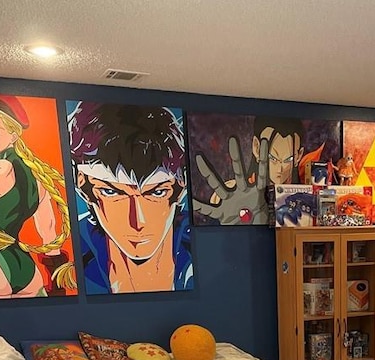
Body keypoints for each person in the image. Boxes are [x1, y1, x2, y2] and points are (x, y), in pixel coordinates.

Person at [68, 102, 192, 294]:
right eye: (112, 192)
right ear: (82, 184)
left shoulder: (204, 248)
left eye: (156, 192)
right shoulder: (71, 257)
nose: (138, 221)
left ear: (180, 186)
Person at [0, 94, 74, 299]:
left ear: (13, 135)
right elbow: (48, 233)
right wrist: (57, 278)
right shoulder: (39, 177)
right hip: (27, 270)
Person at [193, 115, 325, 225]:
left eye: (288, 160)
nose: (280, 168)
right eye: (273, 158)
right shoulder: (230, 192)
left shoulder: (304, 197)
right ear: (256, 148)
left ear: (299, 155)